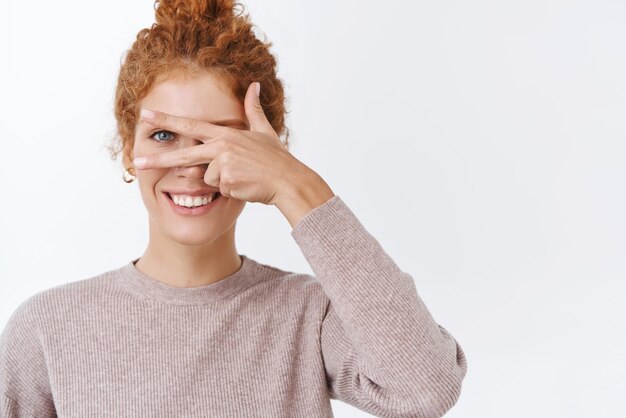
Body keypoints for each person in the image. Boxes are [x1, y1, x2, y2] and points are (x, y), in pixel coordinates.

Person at [0, 0, 468, 417]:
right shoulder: (46, 329)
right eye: (164, 136)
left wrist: (294, 183)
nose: (190, 166)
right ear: (128, 148)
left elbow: (425, 390)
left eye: (219, 140)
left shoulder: (310, 315)